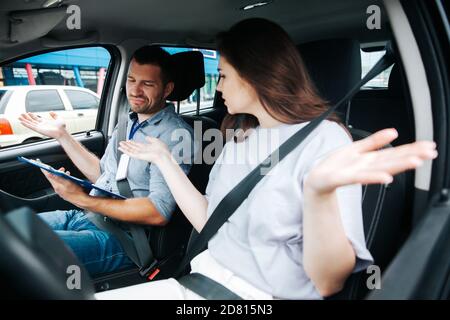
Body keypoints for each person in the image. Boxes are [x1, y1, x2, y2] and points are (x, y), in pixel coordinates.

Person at [96, 18, 437, 300]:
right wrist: (164, 160)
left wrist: (318, 195)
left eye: (225, 76)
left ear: (255, 76)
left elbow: (329, 282)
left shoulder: (326, 141)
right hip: (197, 283)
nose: (218, 88)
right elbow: (208, 222)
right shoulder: (240, 137)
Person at [18, 46, 195, 276]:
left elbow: (157, 212)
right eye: (131, 80)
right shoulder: (128, 122)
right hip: (89, 217)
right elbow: (104, 175)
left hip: (125, 239)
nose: (135, 90)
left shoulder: (176, 136)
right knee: (11, 229)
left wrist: (82, 199)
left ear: (167, 89)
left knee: (20, 251)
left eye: (147, 84)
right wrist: (62, 135)